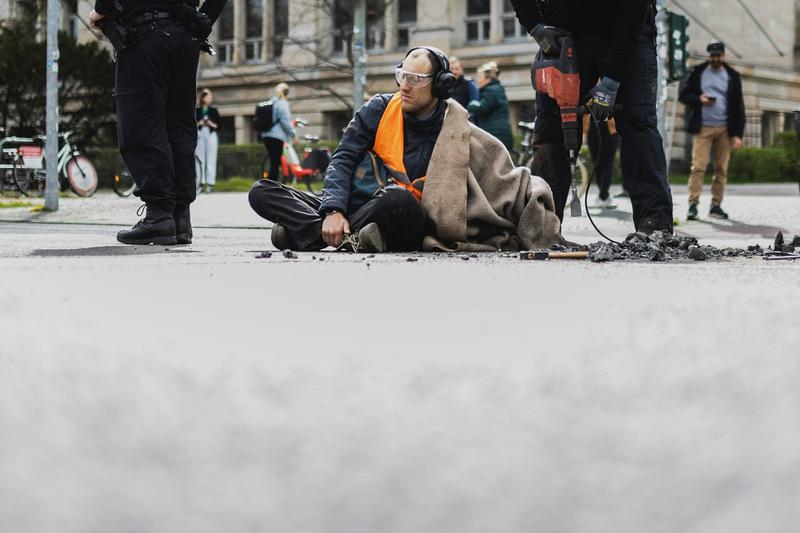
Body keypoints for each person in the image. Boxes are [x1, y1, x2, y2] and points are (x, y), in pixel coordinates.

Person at [248, 47, 562, 253]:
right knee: (260, 191)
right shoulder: (379, 108)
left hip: (404, 214)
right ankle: (343, 235)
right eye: (402, 76)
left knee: (396, 199)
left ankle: (302, 233)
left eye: (415, 79)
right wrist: (333, 210)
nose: (405, 86)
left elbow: (498, 178)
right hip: (356, 208)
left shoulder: (455, 127)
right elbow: (342, 159)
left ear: (438, 85)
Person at [510, 0, 674, 234]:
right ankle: (540, 224)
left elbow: (633, 8)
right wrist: (535, 27)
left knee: (638, 124)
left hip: (628, 29)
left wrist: (612, 80)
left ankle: (655, 225)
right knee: (552, 129)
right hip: (563, 33)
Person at [90, 0, 228, 245]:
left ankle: (160, 216)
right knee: (179, 126)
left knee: (141, 125)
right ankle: (180, 218)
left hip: (144, 35)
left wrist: (99, 11)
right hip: (185, 38)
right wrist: (201, 21)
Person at [679, 41, 745, 221]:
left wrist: (738, 134)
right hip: (703, 127)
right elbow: (683, 96)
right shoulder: (697, 72)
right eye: (713, 55)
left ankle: (716, 205)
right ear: (708, 56)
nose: (716, 58)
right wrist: (699, 99)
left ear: (723, 56)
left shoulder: (732, 76)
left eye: (719, 55)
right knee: (698, 167)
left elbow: (739, 106)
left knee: (721, 168)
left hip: (725, 128)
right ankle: (693, 205)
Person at [468, 61, 514, 152]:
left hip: (495, 136)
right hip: (500, 135)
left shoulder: (490, 91)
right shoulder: (497, 89)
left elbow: (482, 108)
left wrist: (472, 104)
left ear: (488, 79)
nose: (477, 80)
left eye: (480, 77)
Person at [261, 82, 296, 183]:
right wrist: (292, 134)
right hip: (276, 137)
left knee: (273, 161)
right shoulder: (282, 103)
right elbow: (285, 121)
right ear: (287, 93)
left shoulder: (271, 102)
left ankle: (268, 184)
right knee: (275, 163)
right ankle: (271, 186)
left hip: (266, 136)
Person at [585, 116, 620, 209]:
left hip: (610, 128)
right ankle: (603, 195)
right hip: (592, 127)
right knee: (597, 165)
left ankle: (603, 195)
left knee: (607, 164)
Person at [195, 88, 220, 193]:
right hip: (200, 134)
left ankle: (210, 183)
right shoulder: (197, 110)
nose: (210, 99)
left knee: (211, 158)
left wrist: (209, 122)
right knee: (200, 159)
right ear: (203, 98)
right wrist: (200, 122)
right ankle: (200, 182)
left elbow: (218, 125)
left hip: (211, 134)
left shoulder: (214, 111)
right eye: (208, 97)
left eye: (210, 97)